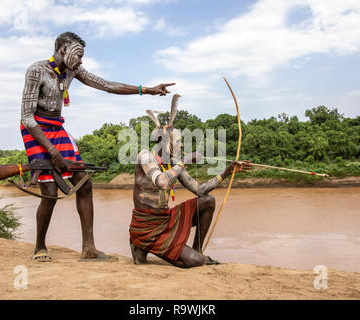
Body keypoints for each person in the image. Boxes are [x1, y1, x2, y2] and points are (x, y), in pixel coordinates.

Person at [20, 31, 174, 262]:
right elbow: (27, 117)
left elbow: (107, 85)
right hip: (36, 130)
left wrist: (147, 89)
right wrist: (52, 152)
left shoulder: (72, 71)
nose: (81, 61)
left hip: (57, 128)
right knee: (50, 191)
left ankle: (89, 249)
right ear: (63, 49)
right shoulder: (36, 70)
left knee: (83, 181)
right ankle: (40, 247)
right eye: (78, 55)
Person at [129, 95, 252, 267]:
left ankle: (198, 251)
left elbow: (200, 191)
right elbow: (162, 182)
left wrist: (226, 172)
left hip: (164, 221)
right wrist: (184, 161)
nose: (180, 146)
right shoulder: (146, 156)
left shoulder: (173, 165)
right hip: (146, 228)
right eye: (177, 142)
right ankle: (141, 246)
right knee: (194, 262)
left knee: (208, 201)